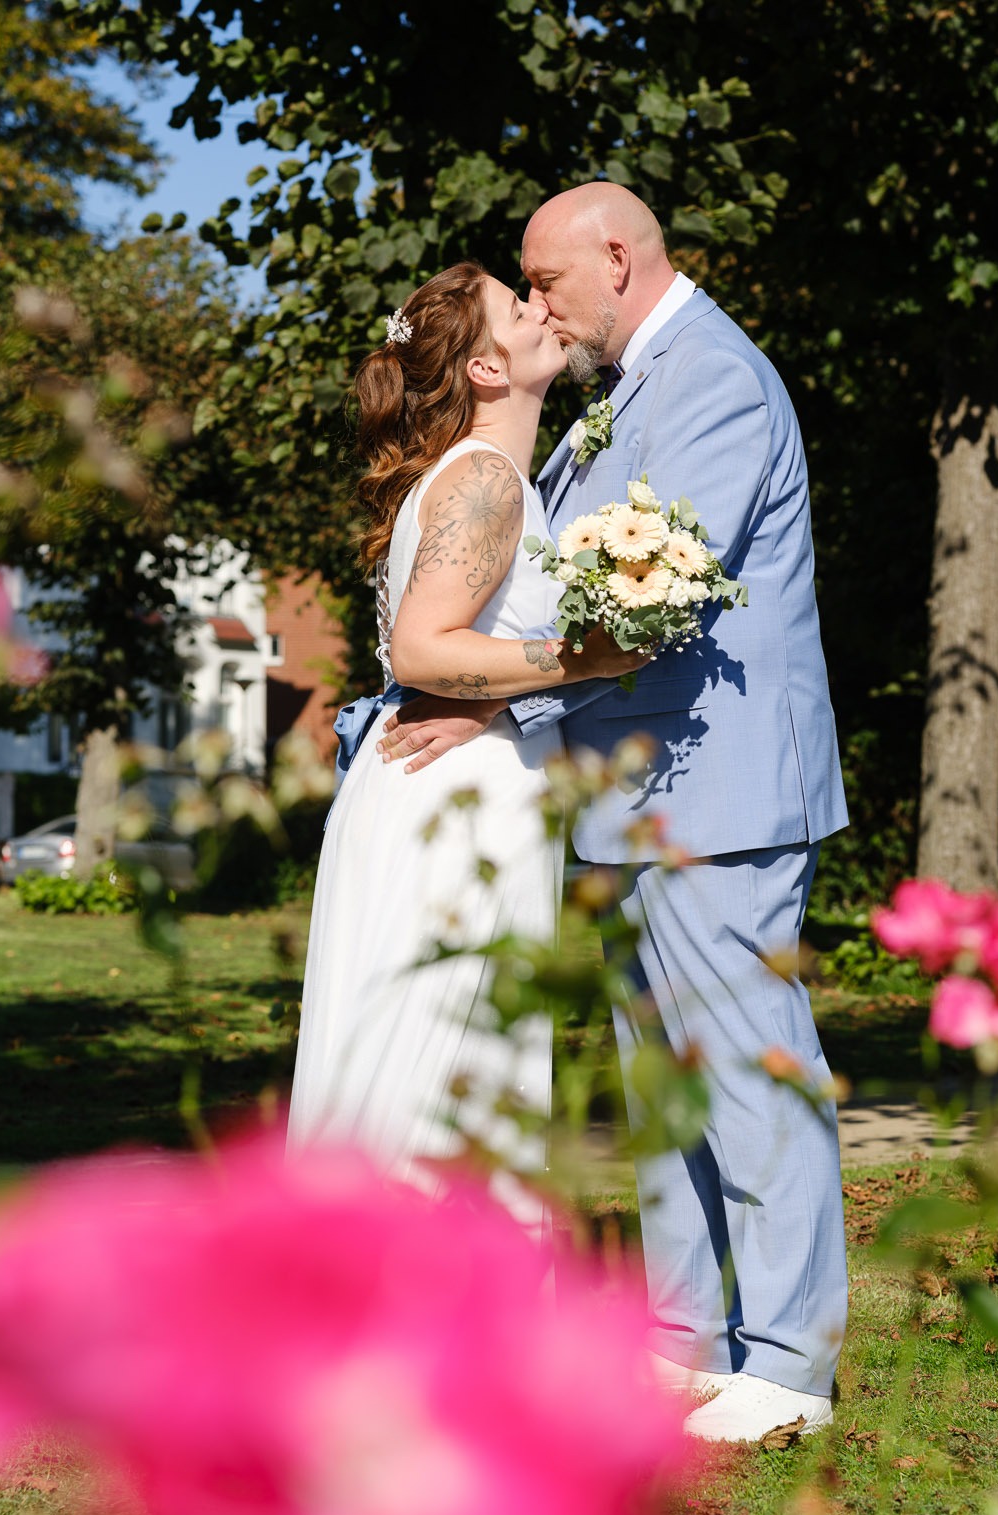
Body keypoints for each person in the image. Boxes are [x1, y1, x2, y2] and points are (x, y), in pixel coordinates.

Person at [378, 187, 851, 1443]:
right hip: (635, 789)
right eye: (528, 290)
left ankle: (792, 1363)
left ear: (619, 258)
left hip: (719, 787)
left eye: (548, 282)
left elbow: (658, 596)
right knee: (661, 1079)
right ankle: (683, 1342)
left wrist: (480, 690)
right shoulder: (625, 393)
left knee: (748, 1065)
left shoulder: (712, 381)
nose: (540, 308)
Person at [287, 261, 639, 1189]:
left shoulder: (488, 475)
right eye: (519, 307)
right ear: (487, 369)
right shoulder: (485, 478)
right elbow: (420, 651)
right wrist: (586, 658)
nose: (543, 309)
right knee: (437, 1065)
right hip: (449, 796)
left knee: (451, 1062)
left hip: (452, 777)